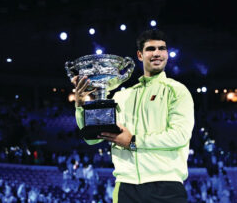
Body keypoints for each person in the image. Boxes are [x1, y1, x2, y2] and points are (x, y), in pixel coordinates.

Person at [73, 29, 195, 203]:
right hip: (125, 187)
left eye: (162, 48)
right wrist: (81, 106)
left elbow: (180, 136)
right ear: (140, 55)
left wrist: (133, 141)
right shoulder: (121, 96)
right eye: (151, 49)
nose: (157, 53)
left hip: (165, 186)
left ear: (167, 54)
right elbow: (93, 139)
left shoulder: (177, 91)